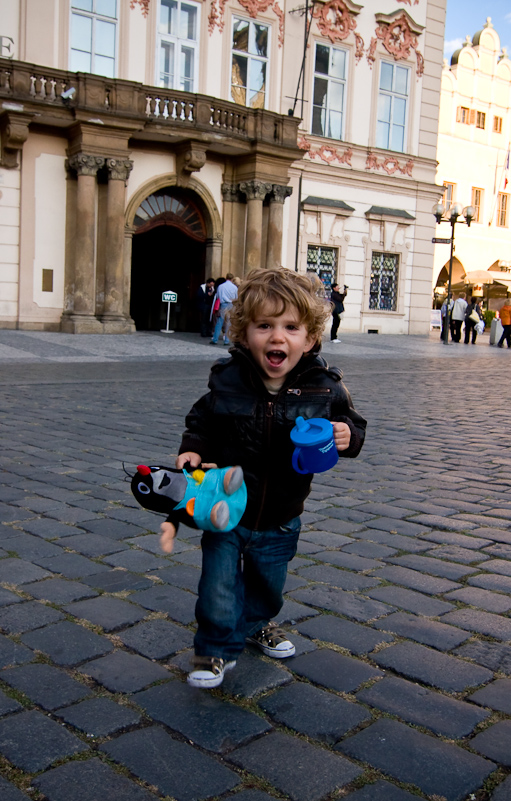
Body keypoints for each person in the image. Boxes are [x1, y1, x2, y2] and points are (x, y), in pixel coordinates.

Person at [162, 267, 367, 689]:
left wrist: (348, 435)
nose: (278, 337)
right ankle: (214, 649)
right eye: (265, 326)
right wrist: (193, 448)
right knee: (217, 586)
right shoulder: (228, 379)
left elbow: (351, 423)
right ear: (243, 333)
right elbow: (201, 421)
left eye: (291, 327)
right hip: (225, 506)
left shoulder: (325, 387)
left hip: (282, 513)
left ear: (309, 339)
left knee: (267, 587)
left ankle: (256, 623)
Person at [211, 273, 238, 345]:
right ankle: (227, 340)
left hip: (223, 304)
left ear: (226, 278)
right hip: (231, 304)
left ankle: (215, 339)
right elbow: (236, 297)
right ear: (232, 279)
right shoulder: (234, 287)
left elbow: (218, 296)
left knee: (219, 322)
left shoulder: (221, 286)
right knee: (228, 322)